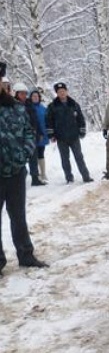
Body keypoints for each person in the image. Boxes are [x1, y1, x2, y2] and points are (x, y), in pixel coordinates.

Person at [0, 62, 48, 277]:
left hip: (17, 172)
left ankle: (26, 255)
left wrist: (24, 154)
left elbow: (30, 133)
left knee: (18, 216)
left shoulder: (17, 108)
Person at [45, 82, 94, 183]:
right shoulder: (52, 106)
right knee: (65, 159)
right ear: (57, 94)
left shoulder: (74, 104)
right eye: (59, 92)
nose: (62, 93)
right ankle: (69, 178)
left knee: (79, 157)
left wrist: (82, 131)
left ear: (66, 91)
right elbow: (49, 121)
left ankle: (86, 176)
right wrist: (51, 135)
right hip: (61, 137)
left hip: (74, 136)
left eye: (63, 91)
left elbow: (81, 118)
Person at [14, 83, 46, 186]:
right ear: (16, 94)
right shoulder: (13, 105)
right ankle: (19, 180)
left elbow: (35, 120)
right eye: (21, 94)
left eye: (25, 93)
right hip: (18, 137)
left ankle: (35, 178)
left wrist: (40, 132)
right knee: (19, 159)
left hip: (32, 135)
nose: (23, 95)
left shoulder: (30, 105)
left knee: (33, 158)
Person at [29, 89, 50, 182]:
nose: (35, 98)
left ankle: (43, 173)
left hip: (43, 135)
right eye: (33, 96)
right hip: (33, 135)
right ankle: (35, 174)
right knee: (33, 155)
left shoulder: (43, 108)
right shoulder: (28, 108)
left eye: (37, 96)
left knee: (41, 154)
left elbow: (48, 121)